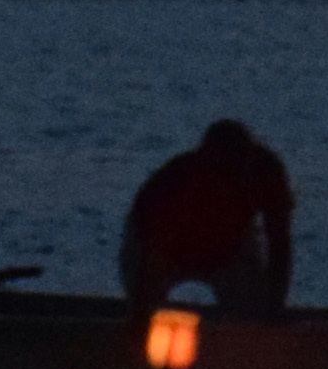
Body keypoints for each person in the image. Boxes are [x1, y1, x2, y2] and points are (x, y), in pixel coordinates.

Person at [121, 118, 295, 317]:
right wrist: (141, 314)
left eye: (236, 166)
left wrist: (273, 308)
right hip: (161, 246)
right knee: (145, 311)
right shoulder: (176, 184)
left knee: (253, 311)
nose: (230, 176)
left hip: (230, 245)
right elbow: (152, 253)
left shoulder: (266, 174)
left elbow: (280, 244)